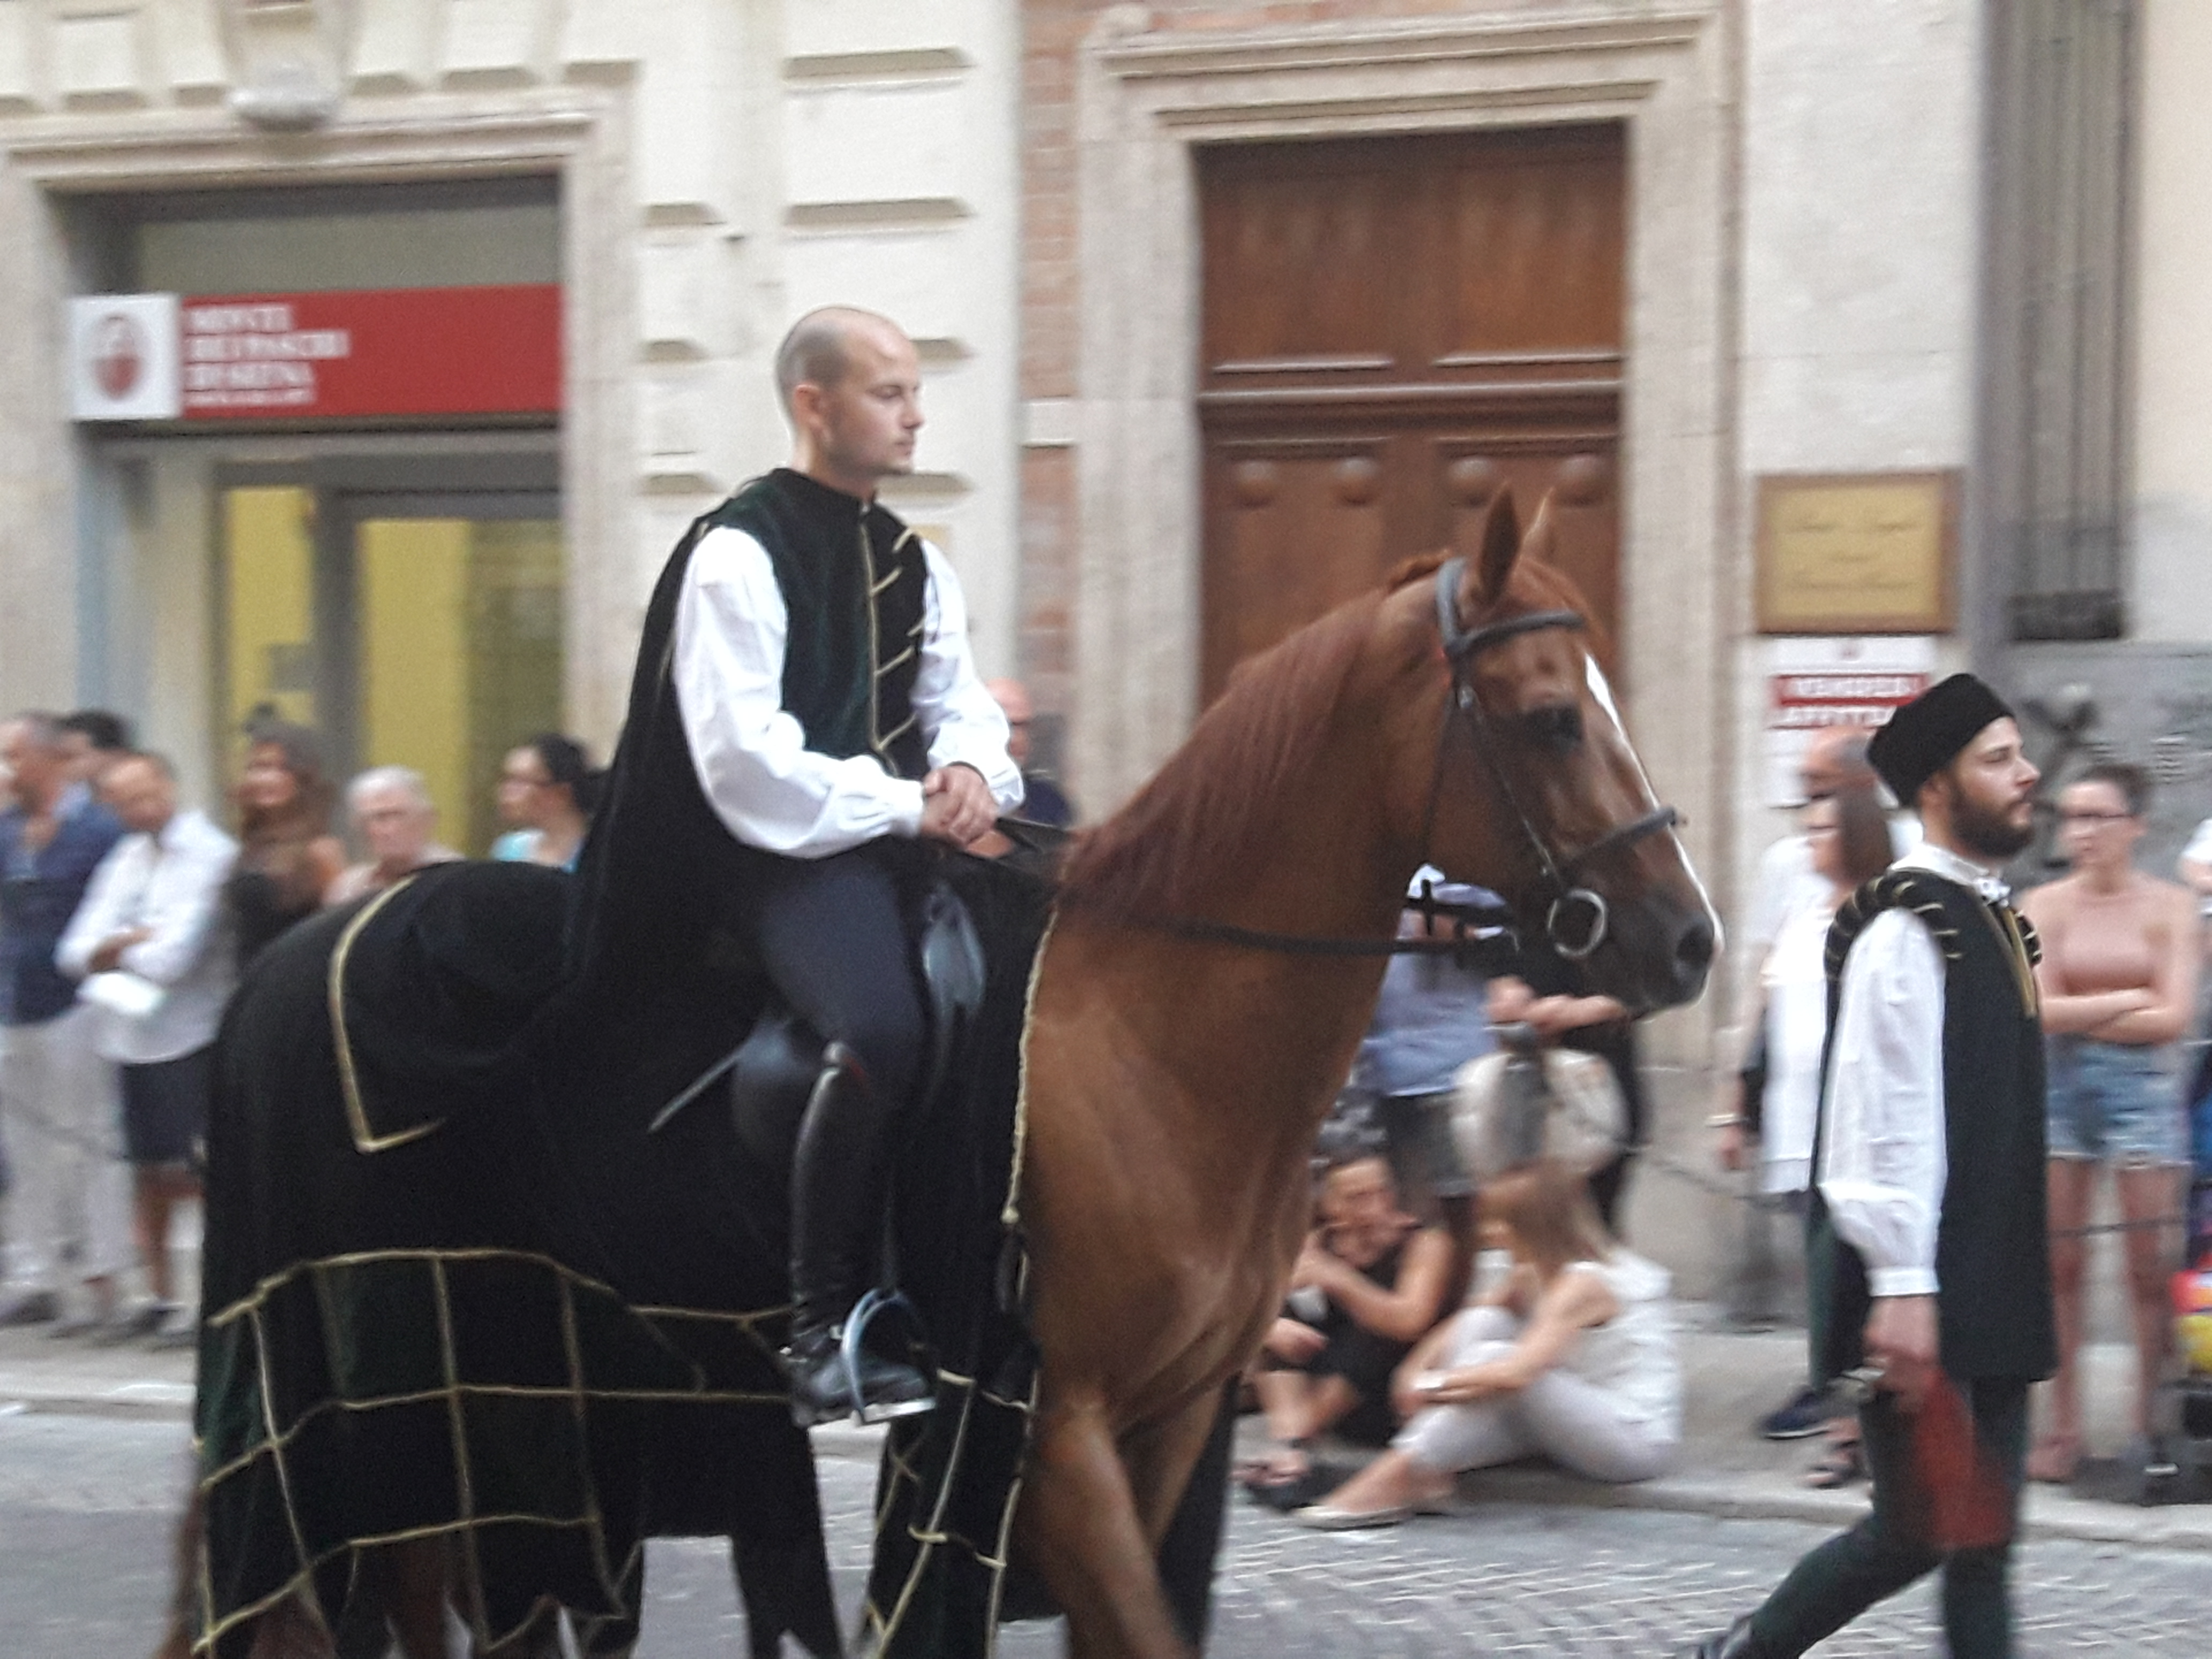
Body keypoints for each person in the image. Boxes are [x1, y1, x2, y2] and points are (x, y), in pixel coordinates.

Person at [563, 305, 1021, 1424]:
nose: (915, 415)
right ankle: (825, 1327)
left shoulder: (912, 559)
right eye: (888, 393)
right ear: (814, 406)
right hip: (767, 859)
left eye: (916, 392)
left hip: (891, 840)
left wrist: (969, 773)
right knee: (882, 1030)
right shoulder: (738, 549)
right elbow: (747, 765)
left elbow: (961, 704)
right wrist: (910, 803)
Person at [1686, 674, 2054, 1659]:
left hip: (1989, 1265)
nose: (2026, 776)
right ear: (1935, 787)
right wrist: (1899, 1286)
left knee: (1985, 1539)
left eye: (2019, 754)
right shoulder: (1907, 925)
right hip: (1920, 1277)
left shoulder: (1991, 915)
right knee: (1915, 1531)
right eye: (1997, 759)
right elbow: (1877, 1119)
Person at [1288, 1156, 1679, 1528]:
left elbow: (1518, 1372)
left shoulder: (1586, 1284)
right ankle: (1422, 1474)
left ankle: (1396, 1477)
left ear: (1532, 1227)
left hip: (1633, 1439)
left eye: (1499, 1224)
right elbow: (1471, 1318)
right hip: (1568, 1411)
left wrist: (1432, 1386)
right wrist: (1415, 1369)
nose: (1490, 1235)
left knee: (1498, 1357)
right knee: (1486, 1323)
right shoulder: (1533, 1273)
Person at [2017, 762, 2198, 1483]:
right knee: (2060, 1264)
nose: (2081, 832)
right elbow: (2036, 1009)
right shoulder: (2044, 903)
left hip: (2144, 1095)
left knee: (2147, 1265)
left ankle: (2141, 1426)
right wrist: (2128, 1000)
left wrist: (2086, 1010)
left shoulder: (2170, 906)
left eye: (2097, 817)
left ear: (2136, 825)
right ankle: (2060, 1428)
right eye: (2071, 818)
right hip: (2061, 1091)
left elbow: (2176, 1015)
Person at [1715, 784, 1896, 1466]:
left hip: (1854, 1130)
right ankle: (1843, 1422)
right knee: (1824, 1289)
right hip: (1797, 1126)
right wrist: (1736, 1105)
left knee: (1856, 1285)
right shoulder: (1802, 913)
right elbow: (1762, 1014)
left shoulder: (1883, 917)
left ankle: (1858, 1433)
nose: (1809, 841)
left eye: (1824, 828)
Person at [54, 752, 236, 1346]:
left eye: (145, 794)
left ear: (168, 785)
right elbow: (71, 952)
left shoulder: (210, 854)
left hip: (191, 1034)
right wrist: (131, 940)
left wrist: (113, 949)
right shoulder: (127, 857)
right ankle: (159, 1294)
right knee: (146, 1172)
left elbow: (175, 960)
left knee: (195, 1171)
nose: (137, 808)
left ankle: (206, 1295)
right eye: (124, 800)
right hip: (128, 1035)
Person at [0, 713, 129, 1333]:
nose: (7, 769)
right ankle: (34, 1276)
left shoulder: (98, 830)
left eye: (15, 755)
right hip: (13, 1004)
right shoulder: (8, 830)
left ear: (48, 758)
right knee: (24, 1147)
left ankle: (103, 1278)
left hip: (77, 1005)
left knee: (89, 1140)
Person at [1243, 1149, 1454, 1506]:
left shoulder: (1424, 1243)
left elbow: (1409, 1320)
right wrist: (1273, 1326)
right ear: (1331, 1207)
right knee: (1279, 1317)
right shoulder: (1315, 1241)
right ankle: (1290, 1440)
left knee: (1377, 1328)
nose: (1373, 1208)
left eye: (1381, 1193)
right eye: (1357, 1199)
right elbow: (1255, 1303)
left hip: (1389, 1396)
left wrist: (1337, 1277)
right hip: (1325, 1381)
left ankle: (1297, 1441)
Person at [225, 723, 345, 973]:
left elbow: (338, 933)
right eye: (257, 768)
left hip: (293, 985)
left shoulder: (320, 850)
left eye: (280, 768)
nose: (266, 779)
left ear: (301, 776)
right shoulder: (251, 845)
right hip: (246, 984)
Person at [323, 766, 462, 907]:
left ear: (427, 818)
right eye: (378, 818)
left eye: (399, 815)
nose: (389, 830)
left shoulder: (456, 879)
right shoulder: (349, 889)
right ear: (358, 826)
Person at [491, 734, 601, 871]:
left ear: (561, 792)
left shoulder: (600, 855)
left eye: (519, 782)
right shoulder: (510, 850)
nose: (505, 791)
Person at [984, 678, 1075, 828]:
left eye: (1024, 727)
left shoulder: (1048, 802)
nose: (1017, 738)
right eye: (1008, 725)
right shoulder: (949, 790)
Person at [56, 709, 132, 787]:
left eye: (74, 757)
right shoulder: (77, 792)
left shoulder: (136, 793)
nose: (65, 765)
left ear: (114, 754)